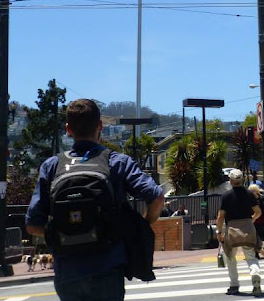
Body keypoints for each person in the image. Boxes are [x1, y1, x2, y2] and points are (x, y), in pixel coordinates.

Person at [26, 99, 164, 301]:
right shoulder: (117, 161)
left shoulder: (52, 166)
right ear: (100, 126)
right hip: (107, 268)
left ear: (68, 129)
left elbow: (32, 225)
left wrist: (59, 233)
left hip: (67, 271)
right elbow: (157, 196)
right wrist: (144, 222)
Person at [216, 169, 263, 297]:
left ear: (231, 181)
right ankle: (255, 274)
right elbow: (258, 212)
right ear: (242, 180)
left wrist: (219, 231)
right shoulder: (249, 194)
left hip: (232, 230)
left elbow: (221, 216)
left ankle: (234, 284)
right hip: (248, 228)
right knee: (251, 256)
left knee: (230, 257)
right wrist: (251, 220)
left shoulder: (226, 196)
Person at [248, 184, 264, 258]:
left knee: (259, 236)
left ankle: (259, 250)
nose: (251, 192)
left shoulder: (261, 199)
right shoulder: (248, 199)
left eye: (253, 190)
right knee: (253, 237)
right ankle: (256, 253)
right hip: (252, 220)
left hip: (260, 220)